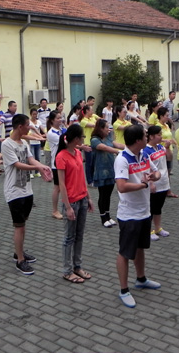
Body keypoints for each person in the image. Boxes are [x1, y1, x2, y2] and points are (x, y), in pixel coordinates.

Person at [114, 125, 161, 308]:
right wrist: (143, 185)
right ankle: (124, 290)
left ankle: (141, 279)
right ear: (137, 140)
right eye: (144, 136)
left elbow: (156, 172)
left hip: (144, 212)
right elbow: (121, 186)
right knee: (125, 252)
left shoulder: (144, 155)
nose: (147, 137)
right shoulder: (122, 159)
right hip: (129, 215)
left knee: (140, 248)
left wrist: (154, 177)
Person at [2, 114, 52, 275]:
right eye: (27, 125)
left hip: (27, 189)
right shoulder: (6, 144)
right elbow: (17, 164)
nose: (29, 128)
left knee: (23, 224)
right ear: (20, 127)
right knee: (19, 226)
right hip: (14, 191)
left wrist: (42, 166)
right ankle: (20, 260)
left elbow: (30, 159)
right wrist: (37, 168)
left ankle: (19, 252)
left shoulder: (23, 143)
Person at [56, 124, 94, 284]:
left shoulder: (78, 153)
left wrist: (88, 197)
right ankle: (67, 271)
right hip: (71, 201)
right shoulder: (61, 156)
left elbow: (81, 177)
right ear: (76, 139)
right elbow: (62, 184)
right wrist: (68, 207)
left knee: (79, 235)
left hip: (82, 199)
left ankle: (77, 267)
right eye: (82, 137)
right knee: (69, 237)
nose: (83, 139)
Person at [90, 119, 123, 228]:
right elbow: (104, 147)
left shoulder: (108, 137)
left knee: (108, 194)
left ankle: (108, 216)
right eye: (106, 127)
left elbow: (116, 144)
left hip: (110, 169)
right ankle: (103, 217)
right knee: (103, 195)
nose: (108, 130)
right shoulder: (95, 140)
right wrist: (117, 151)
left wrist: (129, 147)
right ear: (100, 128)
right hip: (101, 171)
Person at [144, 125, 171, 241]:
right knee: (151, 208)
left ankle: (158, 228)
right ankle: (148, 230)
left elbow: (169, 158)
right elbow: (146, 169)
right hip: (155, 184)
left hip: (164, 182)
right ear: (151, 136)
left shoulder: (161, 147)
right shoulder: (146, 150)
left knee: (158, 208)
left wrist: (168, 148)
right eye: (159, 135)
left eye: (161, 134)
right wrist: (151, 183)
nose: (161, 137)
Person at [47, 110, 67, 220]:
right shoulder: (51, 133)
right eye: (58, 118)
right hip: (57, 163)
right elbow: (66, 142)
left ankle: (66, 206)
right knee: (57, 187)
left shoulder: (61, 130)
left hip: (65, 161)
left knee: (65, 186)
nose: (60, 120)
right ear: (52, 120)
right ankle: (55, 210)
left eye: (61, 118)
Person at [79, 105, 96, 185]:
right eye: (91, 110)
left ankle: (93, 178)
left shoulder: (92, 118)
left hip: (94, 143)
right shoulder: (83, 121)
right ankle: (89, 181)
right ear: (87, 111)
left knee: (94, 163)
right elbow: (93, 125)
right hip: (87, 144)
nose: (92, 112)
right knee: (89, 163)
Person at [28, 108, 46, 174]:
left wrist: (46, 133)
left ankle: (37, 172)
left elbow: (42, 128)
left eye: (36, 114)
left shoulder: (39, 122)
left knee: (38, 157)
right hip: (31, 141)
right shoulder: (29, 122)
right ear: (31, 114)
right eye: (33, 114)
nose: (35, 116)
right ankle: (30, 172)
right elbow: (32, 132)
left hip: (38, 142)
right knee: (31, 157)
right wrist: (40, 136)